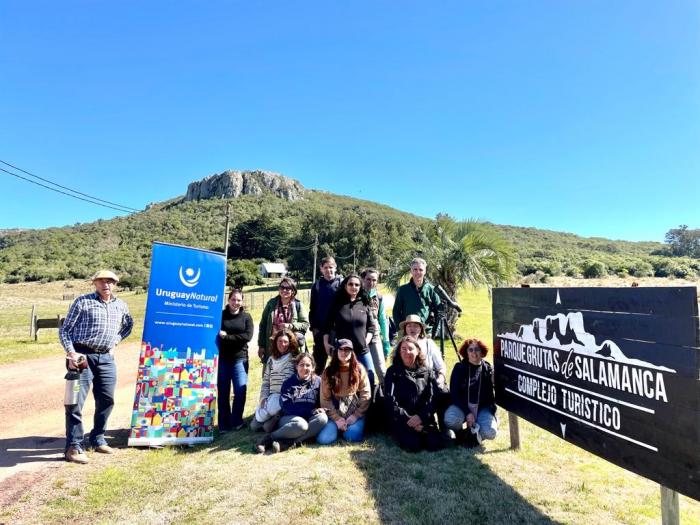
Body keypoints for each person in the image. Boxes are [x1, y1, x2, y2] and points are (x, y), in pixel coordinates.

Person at [59, 270, 134, 464]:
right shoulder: (82, 302)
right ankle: (73, 447)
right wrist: (71, 352)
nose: (105, 284)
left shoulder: (121, 305)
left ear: (115, 284)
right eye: (101, 281)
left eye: (110, 281)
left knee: (107, 400)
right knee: (75, 402)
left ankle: (97, 438)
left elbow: (128, 326)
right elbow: (65, 330)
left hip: (106, 358)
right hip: (82, 356)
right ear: (95, 283)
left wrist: (115, 341)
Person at [384, 336, 444, 452]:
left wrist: (420, 417)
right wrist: (408, 418)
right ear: (399, 352)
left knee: (434, 444)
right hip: (401, 419)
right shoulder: (393, 372)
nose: (407, 352)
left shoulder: (427, 371)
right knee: (413, 446)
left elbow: (434, 398)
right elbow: (389, 399)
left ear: (417, 351)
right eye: (403, 349)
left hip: (423, 418)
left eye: (411, 349)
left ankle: (423, 430)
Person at [259, 353, 328, 453]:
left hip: (310, 417)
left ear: (313, 367)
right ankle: (269, 438)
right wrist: (310, 412)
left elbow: (323, 400)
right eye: (301, 365)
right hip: (289, 418)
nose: (305, 368)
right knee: (301, 425)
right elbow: (286, 406)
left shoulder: (318, 381)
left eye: (308, 365)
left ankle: (290, 443)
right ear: (296, 366)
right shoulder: (288, 383)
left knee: (322, 418)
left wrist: (322, 409)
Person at [323, 273, 377, 390]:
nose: (354, 287)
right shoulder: (337, 304)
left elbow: (371, 327)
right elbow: (327, 326)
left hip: (362, 350)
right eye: (351, 284)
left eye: (357, 285)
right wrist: (326, 343)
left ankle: (370, 406)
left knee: (370, 378)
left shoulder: (365, 303)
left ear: (360, 287)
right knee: (341, 382)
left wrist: (366, 341)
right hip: (343, 352)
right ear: (345, 286)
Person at [317, 339, 371, 445]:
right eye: (340, 349)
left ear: (352, 352)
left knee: (352, 436)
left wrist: (356, 415)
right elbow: (325, 399)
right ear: (336, 352)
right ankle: (338, 428)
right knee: (324, 439)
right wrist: (337, 419)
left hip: (354, 413)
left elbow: (366, 394)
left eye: (347, 350)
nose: (343, 352)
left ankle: (347, 430)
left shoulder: (359, 369)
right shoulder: (328, 372)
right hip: (335, 413)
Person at [444, 339, 498, 446]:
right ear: (466, 352)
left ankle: (474, 437)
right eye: (471, 350)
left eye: (477, 349)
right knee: (450, 420)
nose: (474, 353)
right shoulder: (459, 368)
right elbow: (454, 394)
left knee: (491, 432)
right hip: (462, 406)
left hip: (483, 408)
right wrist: (468, 413)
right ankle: (461, 435)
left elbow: (496, 384)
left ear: (482, 352)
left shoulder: (487, 368)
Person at [218, 288, 254, 432]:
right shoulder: (220, 316)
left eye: (239, 300)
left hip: (240, 359)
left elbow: (247, 337)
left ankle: (236, 420)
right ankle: (224, 424)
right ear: (228, 300)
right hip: (223, 360)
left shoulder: (246, 317)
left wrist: (227, 337)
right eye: (233, 299)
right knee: (223, 392)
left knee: (240, 390)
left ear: (242, 301)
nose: (236, 302)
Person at [251, 329, 298, 438]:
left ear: (290, 343)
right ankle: (272, 418)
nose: (283, 344)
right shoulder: (271, 360)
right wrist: (263, 398)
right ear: (275, 343)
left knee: (267, 426)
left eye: (286, 342)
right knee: (254, 426)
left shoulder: (294, 359)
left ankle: (275, 419)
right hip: (271, 398)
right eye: (280, 341)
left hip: (285, 399)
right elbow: (266, 381)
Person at [257, 277, 309, 366]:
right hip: (272, 347)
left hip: (292, 348)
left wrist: (290, 326)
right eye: (282, 287)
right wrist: (261, 345)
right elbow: (263, 325)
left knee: (291, 375)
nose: (284, 290)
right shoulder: (271, 304)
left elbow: (305, 324)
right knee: (272, 375)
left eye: (288, 288)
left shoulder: (298, 305)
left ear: (293, 290)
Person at [309, 256, 343, 374]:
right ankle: (317, 390)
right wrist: (313, 328)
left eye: (331, 267)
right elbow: (312, 308)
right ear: (321, 269)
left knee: (339, 364)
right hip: (321, 330)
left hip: (338, 329)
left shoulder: (343, 284)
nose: (329, 270)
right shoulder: (317, 286)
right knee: (318, 365)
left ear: (335, 268)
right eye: (326, 268)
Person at [392, 257, 441, 334]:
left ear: (425, 271)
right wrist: (400, 330)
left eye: (421, 270)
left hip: (426, 331)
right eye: (415, 269)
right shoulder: (403, 290)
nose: (418, 272)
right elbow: (396, 311)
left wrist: (435, 330)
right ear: (411, 271)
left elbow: (439, 311)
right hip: (407, 331)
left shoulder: (431, 289)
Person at [399, 315, 446, 387]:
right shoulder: (400, 345)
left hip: (427, 382)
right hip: (405, 383)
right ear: (405, 329)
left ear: (421, 329)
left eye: (415, 326)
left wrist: (441, 379)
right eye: (409, 326)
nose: (412, 329)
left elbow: (441, 366)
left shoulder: (429, 343)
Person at [361, 267, 391, 383]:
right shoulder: (355, 294)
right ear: (363, 279)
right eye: (368, 279)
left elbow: (383, 319)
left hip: (374, 337)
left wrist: (386, 342)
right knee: (363, 371)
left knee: (381, 371)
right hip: (360, 336)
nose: (371, 283)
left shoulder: (379, 297)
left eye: (374, 280)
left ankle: (386, 397)